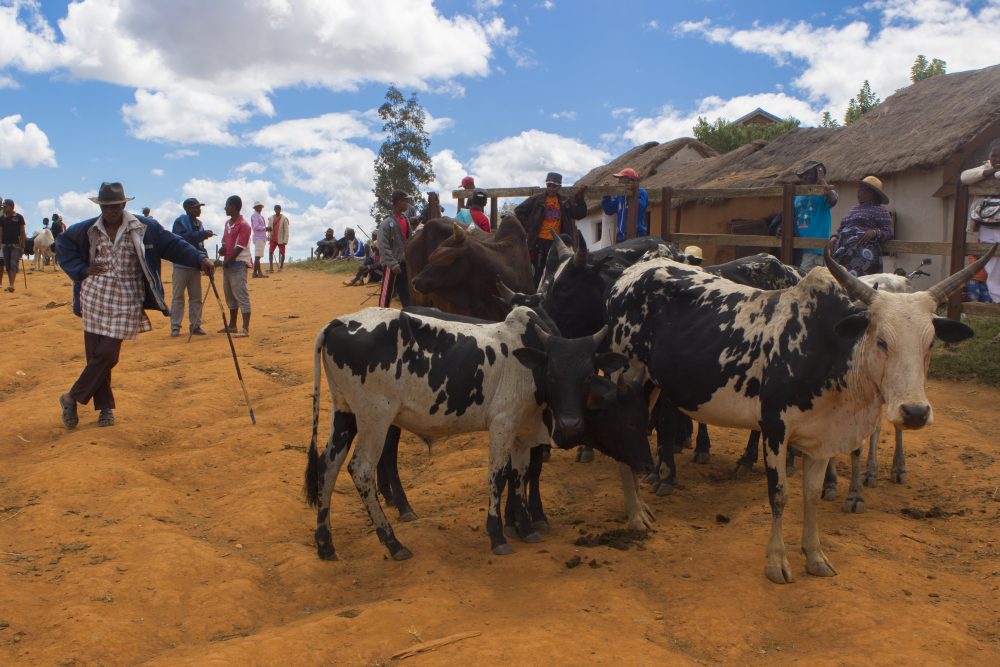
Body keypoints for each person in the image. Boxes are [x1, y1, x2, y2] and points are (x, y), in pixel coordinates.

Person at [55, 182, 214, 428]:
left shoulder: (144, 227)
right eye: (106, 206)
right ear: (100, 206)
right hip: (94, 297)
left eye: (115, 205)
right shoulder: (88, 228)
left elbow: (172, 244)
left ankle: (72, 397)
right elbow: (63, 244)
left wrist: (199, 258)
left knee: (108, 353)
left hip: (127, 298)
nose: (110, 211)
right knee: (97, 356)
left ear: (124, 204)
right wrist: (81, 269)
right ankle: (105, 409)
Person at [514, 172, 588, 287]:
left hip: (557, 243)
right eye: (549, 185)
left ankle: (550, 295)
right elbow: (519, 211)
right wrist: (530, 227)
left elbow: (580, 214)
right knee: (538, 270)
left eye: (554, 186)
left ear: (559, 187)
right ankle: (536, 296)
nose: (551, 188)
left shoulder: (565, 201)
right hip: (538, 242)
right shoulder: (536, 199)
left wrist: (580, 198)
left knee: (555, 270)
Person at [961, 139, 1000, 303]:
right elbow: (964, 177)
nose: (997, 159)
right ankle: (997, 301)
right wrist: (989, 172)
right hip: (987, 224)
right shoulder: (985, 167)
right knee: (992, 262)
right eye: (994, 156)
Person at [830, 176, 893, 277]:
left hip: (862, 255)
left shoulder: (880, 211)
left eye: (862, 190)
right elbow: (842, 228)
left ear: (872, 193)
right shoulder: (853, 209)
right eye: (859, 189)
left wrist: (874, 232)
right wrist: (835, 237)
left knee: (856, 282)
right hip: (843, 251)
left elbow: (889, 231)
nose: (858, 192)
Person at [170, 197, 215, 337]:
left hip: (195, 266)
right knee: (178, 297)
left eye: (199, 207)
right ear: (188, 209)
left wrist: (205, 260)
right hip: (181, 265)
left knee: (196, 297)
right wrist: (202, 235)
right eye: (196, 207)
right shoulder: (180, 222)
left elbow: (200, 246)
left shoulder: (199, 224)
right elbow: (182, 239)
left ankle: (195, 325)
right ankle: (175, 328)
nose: (199, 209)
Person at [793, 160, 838, 272]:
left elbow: (833, 200)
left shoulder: (824, 194)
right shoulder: (796, 197)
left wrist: (823, 181)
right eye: (806, 174)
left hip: (815, 249)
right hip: (798, 248)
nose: (808, 176)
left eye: (812, 173)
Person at [219, 195, 252, 337]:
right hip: (229, 264)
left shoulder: (244, 225)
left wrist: (225, 261)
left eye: (227, 205)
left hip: (238, 264)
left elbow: (239, 248)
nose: (225, 208)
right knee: (229, 296)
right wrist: (222, 249)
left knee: (241, 295)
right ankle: (232, 325)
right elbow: (225, 242)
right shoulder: (228, 223)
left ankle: (245, 329)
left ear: (233, 207)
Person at [377, 190, 413, 307]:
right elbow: (383, 245)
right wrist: (392, 264)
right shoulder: (387, 223)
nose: (408, 203)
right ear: (398, 202)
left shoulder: (406, 220)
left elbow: (409, 240)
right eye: (406, 201)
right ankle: (381, 315)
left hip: (403, 263)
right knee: (386, 295)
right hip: (390, 265)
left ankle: (408, 316)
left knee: (406, 293)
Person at [601, 167, 648, 242]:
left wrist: (629, 194)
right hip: (621, 237)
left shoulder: (642, 193)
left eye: (621, 178)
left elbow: (639, 207)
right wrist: (606, 194)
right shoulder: (619, 196)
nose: (619, 181)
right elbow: (608, 210)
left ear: (629, 180)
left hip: (638, 236)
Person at [1, 198, 26, 292]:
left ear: (11, 206)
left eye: (5, 206)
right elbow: (1, 232)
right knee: (7, 265)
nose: (3, 208)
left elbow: (23, 232)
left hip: (16, 245)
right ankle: (10, 283)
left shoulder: (19, 217)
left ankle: (12, 284)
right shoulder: (2, 218)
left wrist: (22, 246)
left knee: (13, 264)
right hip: (5, 245)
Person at [267, 204, 290, 272]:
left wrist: (285, 240)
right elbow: (269, 228)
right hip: (273, 238)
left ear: (280, 210)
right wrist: (269, 236)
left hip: (281, 239)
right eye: (276, 209)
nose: (277, 210)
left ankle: (281, 267)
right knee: (270, 252)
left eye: (278, 209)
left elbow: (286, 230)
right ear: (274, 210)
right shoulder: (271, 218)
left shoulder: (284, 219)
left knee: (282, 253)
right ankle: (271, 268)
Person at [250, 201, 269, 278]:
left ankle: (255, 273)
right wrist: (266, 228)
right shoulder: (255, 215)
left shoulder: (259, 216)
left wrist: (266, 236)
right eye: (259, 206)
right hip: (258, 238)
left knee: (258, 256)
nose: (260, 208)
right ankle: (259, 273)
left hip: (261, 237)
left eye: (261, 206)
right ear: (255, 208)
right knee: (257, 256)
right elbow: (255, 227)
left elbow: (260, 227)